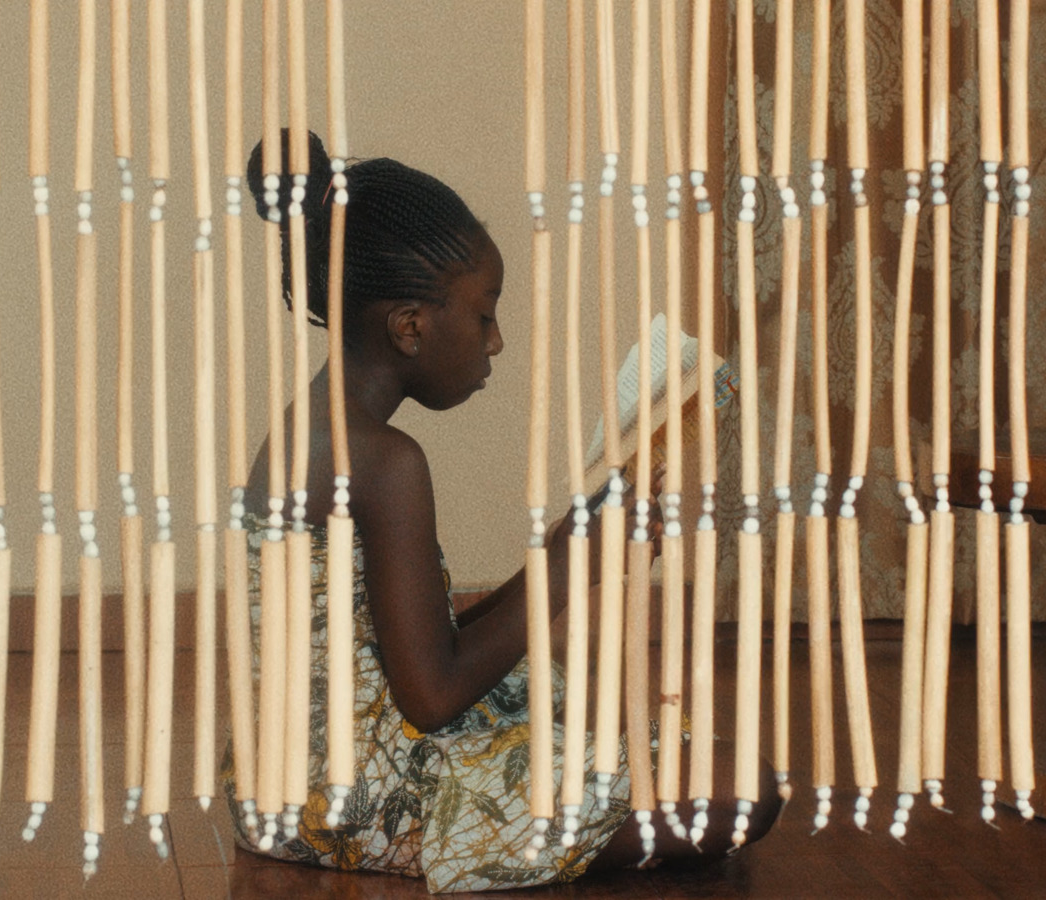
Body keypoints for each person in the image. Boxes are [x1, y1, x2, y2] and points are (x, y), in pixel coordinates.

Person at [224, 130, 778, 894]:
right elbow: (434, 695)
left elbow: (414, 650)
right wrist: (561, 573)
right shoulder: (385, 464)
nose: (497, 340)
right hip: (367, 800)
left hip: (280, 793)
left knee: (627, 716)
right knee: (741, 785)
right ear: (410, 325)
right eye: (483, 315)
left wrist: (563, 549)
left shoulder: (311, 429)